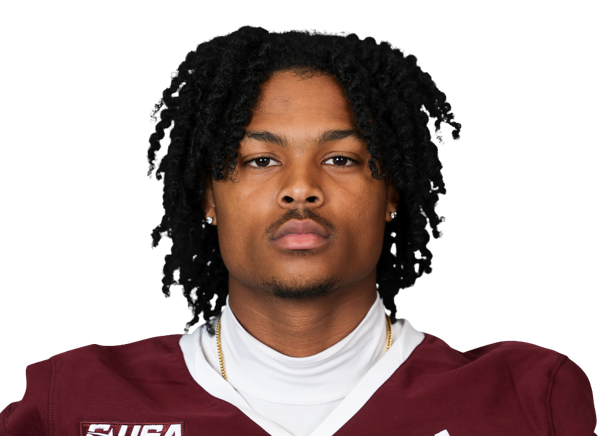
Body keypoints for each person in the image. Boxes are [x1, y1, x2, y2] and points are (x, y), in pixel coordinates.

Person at [1, 26, 595, 436]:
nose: (301, 188)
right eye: (261, 159)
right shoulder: (71, 399)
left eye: (341, 159)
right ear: (209, 198)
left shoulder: (527, 397)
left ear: (391, 195)